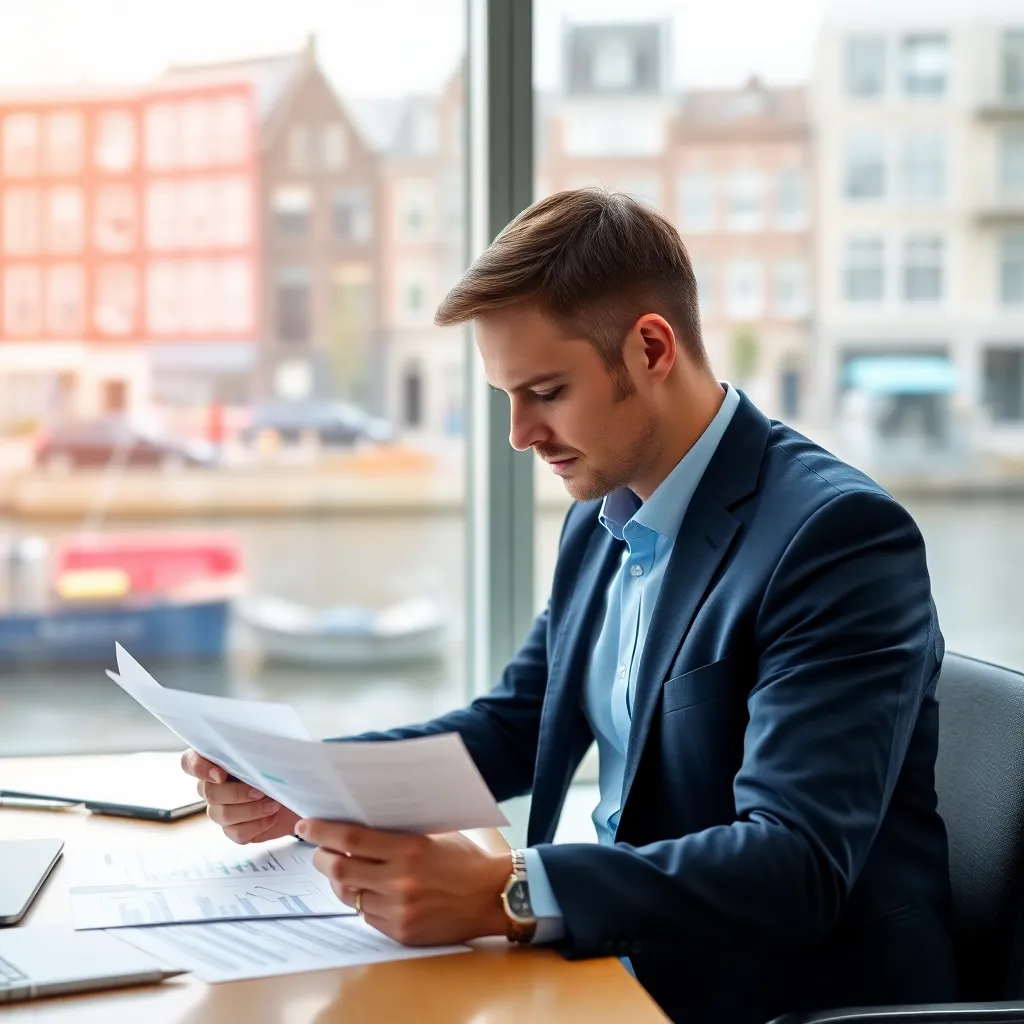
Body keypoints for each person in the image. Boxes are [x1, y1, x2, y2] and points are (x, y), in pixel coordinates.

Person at [182, 189, 957, 1024]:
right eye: (507, 396)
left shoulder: (836, 538)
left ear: (651, 348)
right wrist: (304, 781)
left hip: (778, 999)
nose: (519, 433)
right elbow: (516, 725)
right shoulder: (601, 513)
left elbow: (795, 861)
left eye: (546, 391)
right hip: (620, 966)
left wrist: (507, 893)